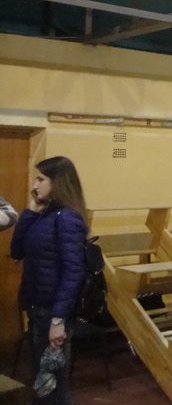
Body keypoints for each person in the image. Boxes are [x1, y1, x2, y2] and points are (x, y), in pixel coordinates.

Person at [10, 156, 88, 405]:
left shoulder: (67, 218)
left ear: (58, 182)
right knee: (41, 382)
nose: (35, 185)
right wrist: (30, 212)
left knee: (54, 383)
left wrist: (58, 320)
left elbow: (73, 272)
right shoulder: (46, 215)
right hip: (37, 307)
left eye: (41, 179)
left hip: (53, 311)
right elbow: (17, 250)